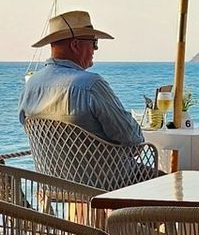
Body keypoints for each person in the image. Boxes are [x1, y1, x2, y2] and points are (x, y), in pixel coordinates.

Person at [18, 9, 144, 147]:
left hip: (47, 169)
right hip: (104, 168)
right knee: (162, 170)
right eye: (94, 42)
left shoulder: (31, 85)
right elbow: (131, 138)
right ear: (75, 45)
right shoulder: (90, 85)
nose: (95, 49)